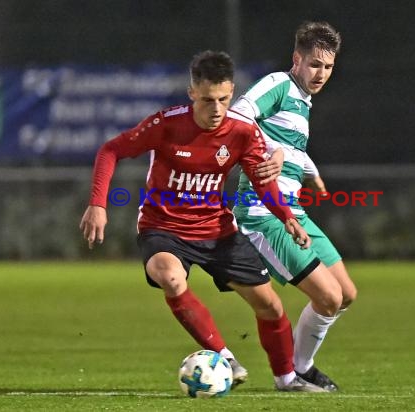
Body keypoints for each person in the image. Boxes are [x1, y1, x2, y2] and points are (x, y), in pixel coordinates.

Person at [79, 50, 327, 392]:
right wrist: (98, 204)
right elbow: (110, 150)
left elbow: (261, 179)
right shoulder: (166, 124)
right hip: (163, 228)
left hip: (217, 231)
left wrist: (286, 217)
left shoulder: (241, 132)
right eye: (208, 100)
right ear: (192, 91)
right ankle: (223, 357)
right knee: (170, 277)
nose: (216, 109)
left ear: (231, 92)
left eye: (224, 99)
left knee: (269, 305)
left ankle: (286, 379)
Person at [231, 21, 358, 392]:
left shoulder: (303, 101)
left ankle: (302, 367)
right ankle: (292, 375)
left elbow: (289, 145)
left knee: (346, 293)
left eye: (329, 67)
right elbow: (238, 118)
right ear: (297, 59)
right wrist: (272, 152)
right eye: (315, 64)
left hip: (291, 209)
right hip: (261, 213)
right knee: (328, 297)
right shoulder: (278, 85)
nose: (321, 74)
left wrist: (309, 171)